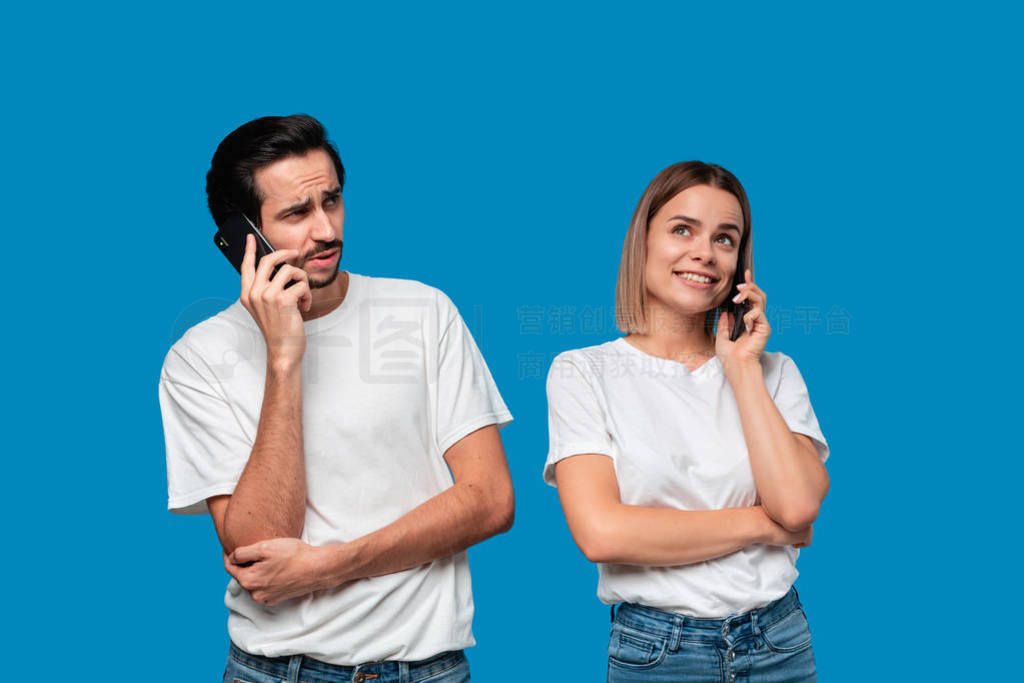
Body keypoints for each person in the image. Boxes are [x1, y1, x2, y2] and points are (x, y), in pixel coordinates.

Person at [158, 114, 514, 682]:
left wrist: (329, 565)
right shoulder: (197, 360)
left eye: (332, 201)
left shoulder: (421, 312)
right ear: (243, 235)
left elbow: (490, 500)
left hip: (426, 669)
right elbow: (261, 550)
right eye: (297, 213)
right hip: (278, 672)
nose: (326, 230)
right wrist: (283, 358)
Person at [544, 161, 830, 681]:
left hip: (780, 642)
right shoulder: (583, 372)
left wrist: (741, 368)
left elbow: (798, 504)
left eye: (725, 238)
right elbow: (602, 533)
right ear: (644, 241)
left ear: (740, 264)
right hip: (659, 653)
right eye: (682, 229)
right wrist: (765, 527)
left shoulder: (775, 372)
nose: (704, 252)